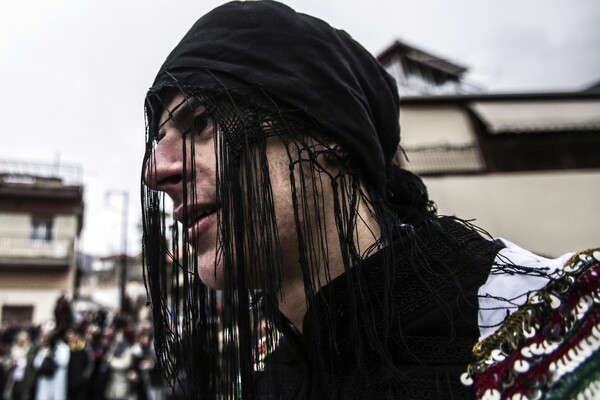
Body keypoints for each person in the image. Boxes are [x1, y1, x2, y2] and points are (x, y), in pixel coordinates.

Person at [140, 2, 600, 399]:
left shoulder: (566, 327)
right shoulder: (265, 376)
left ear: (328, 135)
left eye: (201, 121)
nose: (155, 171)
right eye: (158, 142)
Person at [32, 330, 69, 400]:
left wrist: (53, 357)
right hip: (45, 377)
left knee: (58, 395)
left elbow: (63, 362)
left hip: (58, 376)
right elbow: (36, 364)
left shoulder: (63, 348)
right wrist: (45, 356)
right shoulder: (45, 349)